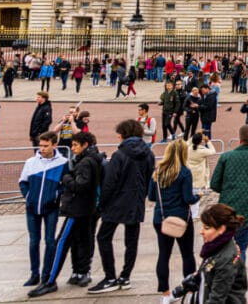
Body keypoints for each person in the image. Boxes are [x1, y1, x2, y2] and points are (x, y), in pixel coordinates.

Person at [30, 130, 104, 297]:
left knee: (61, 243)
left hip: (78, 209)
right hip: (86, 208)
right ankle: (81, 272)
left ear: (85, 145)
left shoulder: (86, 162)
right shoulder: (92, 159)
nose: (73, 148)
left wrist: (66, 178)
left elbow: (80, 185)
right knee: (82, 241)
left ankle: (50, 280)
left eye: (75, 145)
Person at [89, 119, 154, 294]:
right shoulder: (149, 153)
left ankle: (110, 277)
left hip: (116, 202)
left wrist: (102, 204)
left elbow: (110, 182)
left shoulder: (120, 155)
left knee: (103, 237)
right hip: (136, 201)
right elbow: (149, 178)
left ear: (124, 134)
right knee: (131, 241)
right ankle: (125, 276)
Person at [209, 124, 248, 263]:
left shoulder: (226, 157)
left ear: (240, 139)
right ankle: (239, 280)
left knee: (223, 246)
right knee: (241, 249)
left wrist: (227, 190)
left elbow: (214, 184)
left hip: (226, 209)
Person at [148, 139, 199, 303]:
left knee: (164, 254)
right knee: (187, 254)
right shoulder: (184, 172)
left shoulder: (158, 172)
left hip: (161, 218)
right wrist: (199, 196)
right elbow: (188, 198)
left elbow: (151, 197)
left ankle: (165, 293)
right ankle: (190, 291)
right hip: (181, 218)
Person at [19, 132, 68, 288]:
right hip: (32, 207)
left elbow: (65, 184)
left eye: (46, 146)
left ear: (54, 145)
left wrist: (54, 195)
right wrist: (28, 197)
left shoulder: (63, 162)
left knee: (50, 241)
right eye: (40, 145)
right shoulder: (31, 161)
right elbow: (23, 182)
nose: (42, 149)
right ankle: (34, 274)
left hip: (50, 208)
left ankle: (46, 274)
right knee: (34, 241)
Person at [198, 203, 248, 304]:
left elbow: (217, 299)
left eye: (207, 228)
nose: (201, 231)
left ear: (221, 229)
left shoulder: (225, 259)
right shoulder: (216, 246)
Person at [187, 132, 217, 200]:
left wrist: (194, 136)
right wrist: (208, 142)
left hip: (190, 171)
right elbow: (213, 151)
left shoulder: (188, 148)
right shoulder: (202, 151)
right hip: (199, 173)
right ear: (201, 141)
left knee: (190, 189)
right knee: (196, 194)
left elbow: (187, 142)